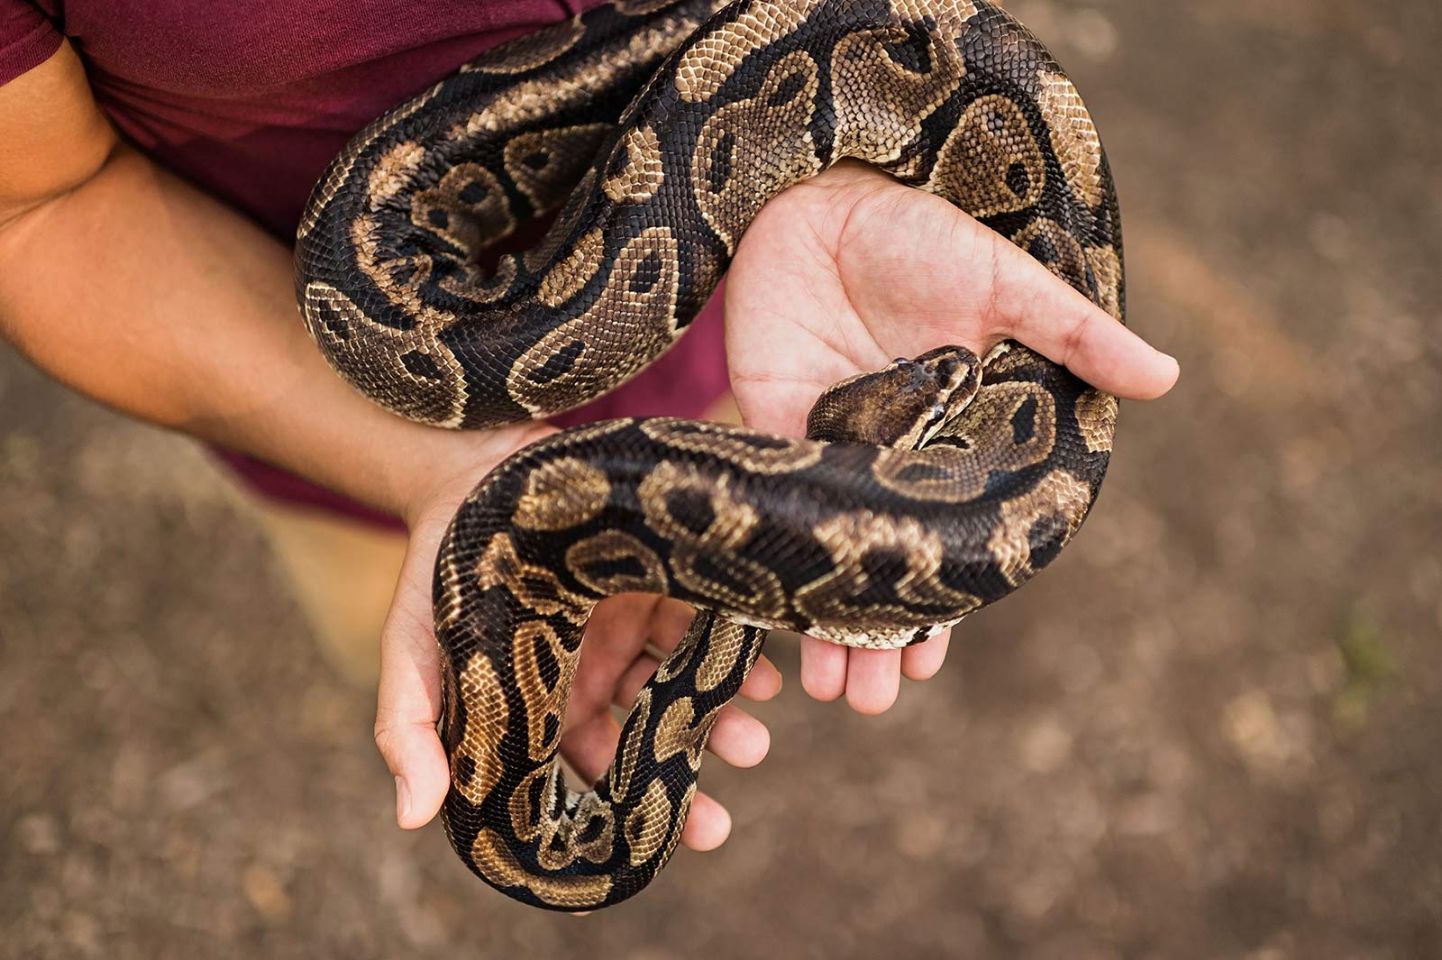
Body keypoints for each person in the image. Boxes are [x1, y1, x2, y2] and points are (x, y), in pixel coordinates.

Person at [0, 1, 1179, 854]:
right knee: (378, 616)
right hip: (327, 415)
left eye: (930, 402)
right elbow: (36, 207)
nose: (948, 382)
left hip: (791, 312)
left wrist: (825, 182)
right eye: (944, 392)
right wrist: (435, 478)